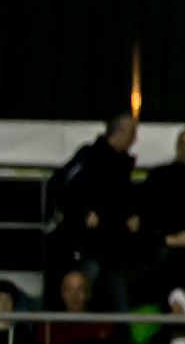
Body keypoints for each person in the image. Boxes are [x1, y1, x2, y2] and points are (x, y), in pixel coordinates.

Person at [53, 113, 139, 314]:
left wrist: (131, 215)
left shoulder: (123, 164)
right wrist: (83, 212)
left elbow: (120, 200)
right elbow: (59, 185)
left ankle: (117, 343)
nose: (135, 139)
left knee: (120, 305)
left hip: (114, 245)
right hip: (89, 244)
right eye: (132, 133)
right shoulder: (89, 156)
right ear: (118, 133)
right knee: (77, 298)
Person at [139, 129, 185, 259]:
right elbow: (145, 217)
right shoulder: (159, 177)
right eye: (182, 144)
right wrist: (168, 239)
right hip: (162, 248)